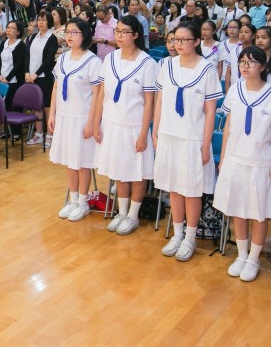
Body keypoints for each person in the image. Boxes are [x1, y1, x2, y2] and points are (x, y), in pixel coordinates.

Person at [214, 46, 271, 282]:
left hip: (261, 162)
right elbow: (228, 125)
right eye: (242, 62)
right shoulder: (235, 90)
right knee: (238, 209)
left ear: (263, 66)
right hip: (235, 158)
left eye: (251, 62)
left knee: (258, 213)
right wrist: (223, 158)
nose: (245, 66)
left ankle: (254, 258)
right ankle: (242, 254)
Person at [153, 22, 222, 260]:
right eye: (175, 39)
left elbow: (210, 112)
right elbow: (160, 101)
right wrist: (155, 132)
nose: (178, 44)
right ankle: (177, 234)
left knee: (192, 190)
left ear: (196, 42)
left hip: (193, 138)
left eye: (184, 40)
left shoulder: (207, 69)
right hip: (169, 134)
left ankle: (190, 238)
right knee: (174, 187)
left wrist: (205, 145)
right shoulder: (167, 65)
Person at [93, 15, 158, 236]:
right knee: (119, 169)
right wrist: (97, 122)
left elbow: (149, 102)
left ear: (136, 35)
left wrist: (144, 133)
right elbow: (102, 93)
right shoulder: (110, 59)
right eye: (117, 31)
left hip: (135, 125)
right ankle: (121, 212)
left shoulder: (147, 63)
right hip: (112, 122)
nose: (119, 36)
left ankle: (133, 215)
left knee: (137, 171)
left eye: (124, 32)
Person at [50, 18, 103, 222]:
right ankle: (72, 200)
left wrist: (92, 122)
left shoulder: (93, 61)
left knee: (82, 162)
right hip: (65, 116)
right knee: (69, 161)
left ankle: (83, 202)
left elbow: (98, 94)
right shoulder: (63, 58)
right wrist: (52, 114)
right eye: (67, 32)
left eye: (74, 32)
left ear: (85, 35)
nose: (69, 36)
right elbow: (56, 87)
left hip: (82, 118)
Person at [24, 10, 58, 146]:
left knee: (47, 106)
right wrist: (27, 72)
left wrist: (36, 73)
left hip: (44, 77)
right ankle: (38, 134)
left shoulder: (52, 38)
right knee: (36, 106)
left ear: (49, 22)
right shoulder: (33, 36)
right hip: (31, 77)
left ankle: (49, 135)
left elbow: (49, 60)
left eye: (44, 20)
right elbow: (27, 56)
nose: (40, 22)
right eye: (39, 19)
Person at [0, 19, 26, 109]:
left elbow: (18, 65)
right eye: (7, 27)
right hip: (2, 80)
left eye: (12, 28)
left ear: (18, 32)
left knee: (14, 108)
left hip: (14, 81)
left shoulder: (21, 46)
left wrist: (8, 78)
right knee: (2, 108)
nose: (8, 30)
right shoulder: (3, 43)